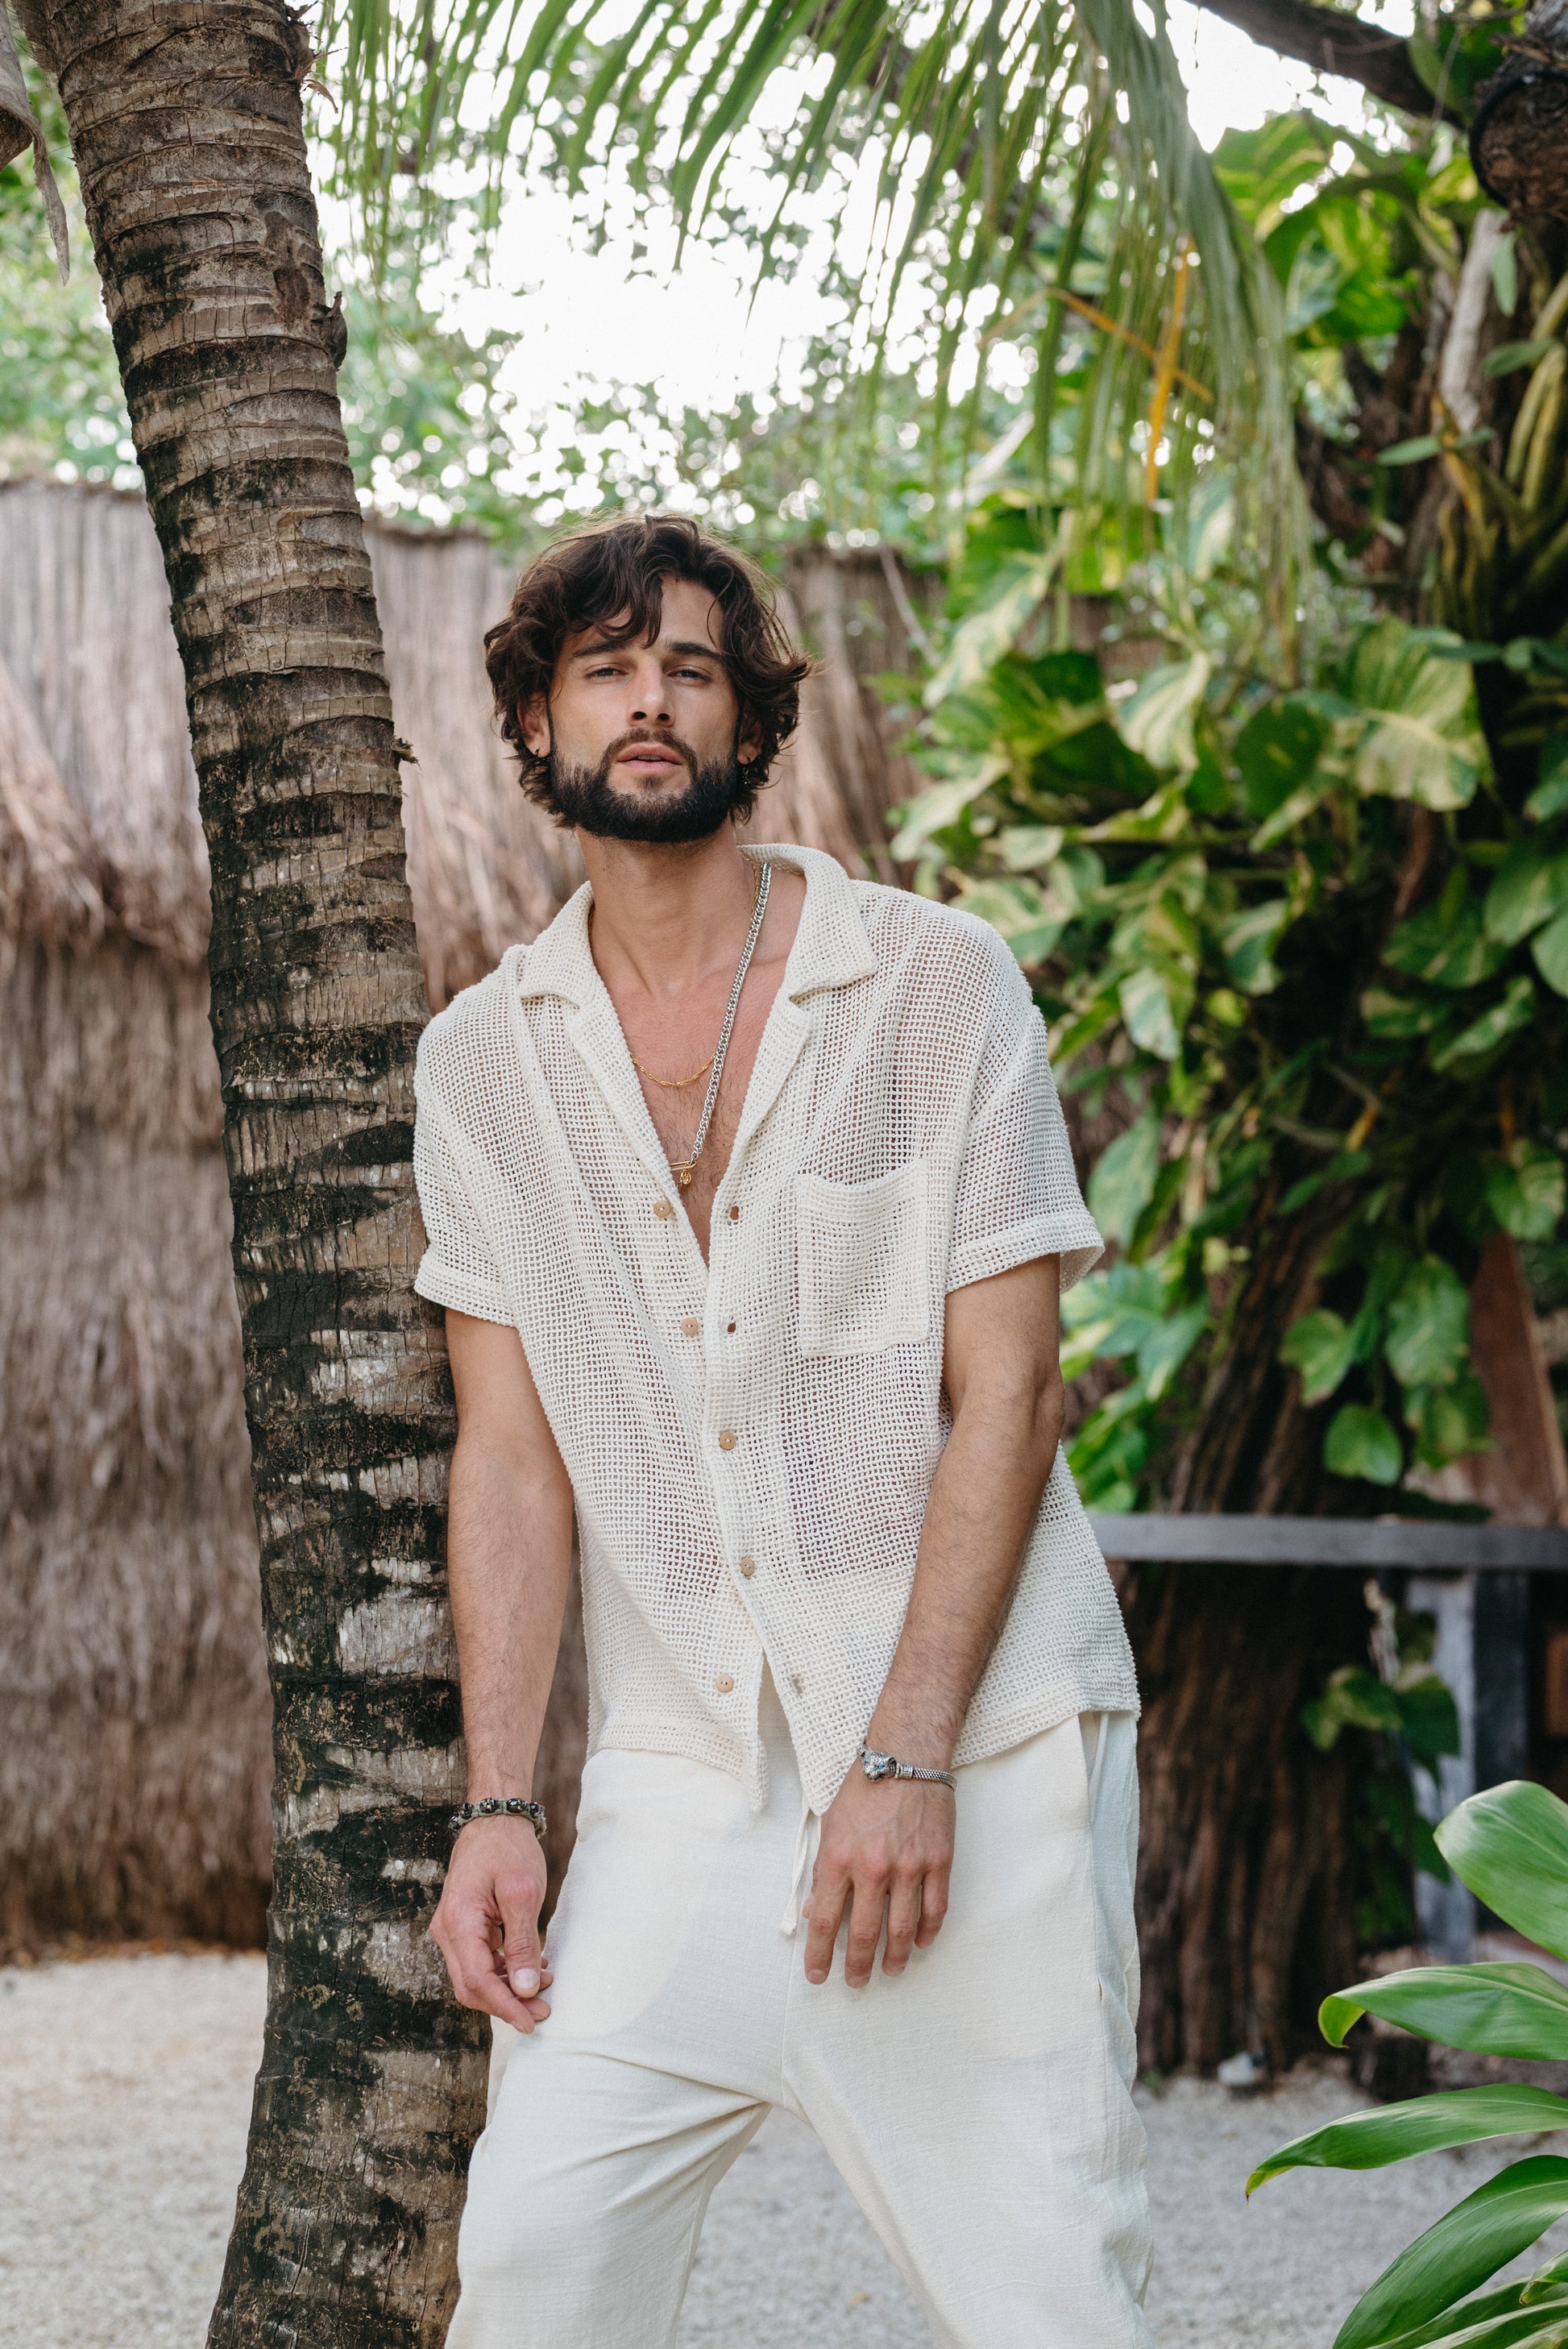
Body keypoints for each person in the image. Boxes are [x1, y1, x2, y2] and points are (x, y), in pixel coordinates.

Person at [413, 512, 1151, 2349]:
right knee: (535, 2265)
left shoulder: (930, 984)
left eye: (690, 668)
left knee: (1046, 2302)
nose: (649, 702)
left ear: (750, 721)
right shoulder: (484, 1063)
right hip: (673, 1777)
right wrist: (498, 1806)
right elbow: (508, 1460)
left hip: (974, 1756)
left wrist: (907, 1754)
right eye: (605, 669)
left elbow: (1010, 1390)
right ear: (536, 723)